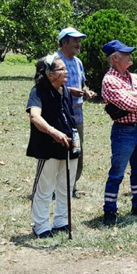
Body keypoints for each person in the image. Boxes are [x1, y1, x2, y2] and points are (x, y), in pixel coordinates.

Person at [100, 40, 137, 226]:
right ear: (115, 58)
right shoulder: (110, 80)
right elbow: (129, 105)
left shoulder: (133, 77)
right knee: (117, 173)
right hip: (124, 132)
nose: (130, 56)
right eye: (126, 54)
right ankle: (109, 210)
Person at [26, 55, 81, 238]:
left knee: (66, 185)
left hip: (69, 144)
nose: (66, 72)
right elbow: (35, 116)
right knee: (45, 186)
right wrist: (53, 132)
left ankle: (61, 221)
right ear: (50, 74)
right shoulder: (38, 92)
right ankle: (40, 225)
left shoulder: (64, 89)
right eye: (61, 69)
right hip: (48, 146)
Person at [54, 27, 95, 197]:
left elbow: (82, 83)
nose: (79, 44)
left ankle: (72, 186)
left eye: (79, 40)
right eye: (75, 40)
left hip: (77, 114)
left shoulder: (78, 62)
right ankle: (57, 188)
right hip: (59, 113)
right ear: (64, 42)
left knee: (77, 150)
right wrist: (69, 91)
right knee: (59, 151)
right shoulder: (54, 61)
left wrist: (86, 91)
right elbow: (49, 86)